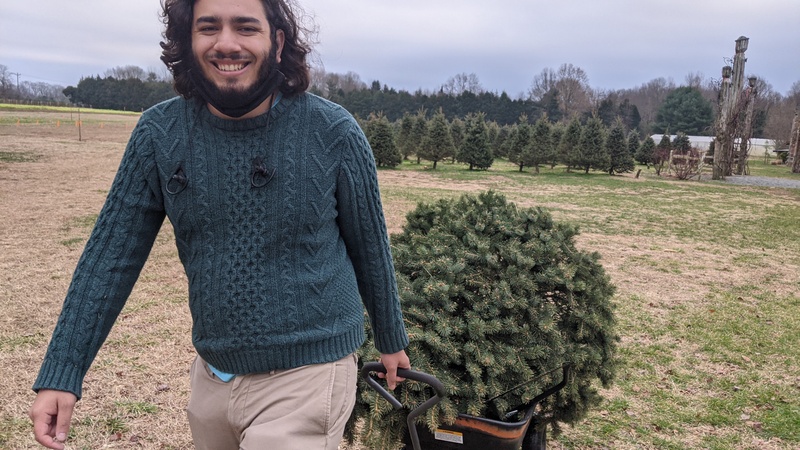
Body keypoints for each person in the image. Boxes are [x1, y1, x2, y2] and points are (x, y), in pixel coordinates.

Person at [29, 0, 410, 448]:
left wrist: (390, 338)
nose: (226, 43)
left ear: (278, 40)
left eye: (246, 27)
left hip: (310, 371)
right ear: (188, 40)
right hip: (212, 376)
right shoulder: (159, 135)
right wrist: (64, 369)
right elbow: (109, 258)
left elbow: (370, 247)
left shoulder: (333, 132)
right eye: (208, 27)